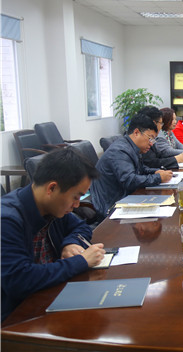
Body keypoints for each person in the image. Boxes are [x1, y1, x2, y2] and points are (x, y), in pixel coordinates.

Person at [1, 148, 105, 322]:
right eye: (76, 197)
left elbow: (81, 227)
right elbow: (19, 280)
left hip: (50, 294)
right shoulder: (7, 220)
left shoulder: (52, 207)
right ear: (52, 188)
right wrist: (80, 261)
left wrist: (71, 243)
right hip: (16, 315)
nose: (77, 205)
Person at [90, 113, 173, 219]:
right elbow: (129, 180)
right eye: (150, 138)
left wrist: (155, 172)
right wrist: (158, 178)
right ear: (136, 133)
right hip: (112, 206)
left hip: (125, 198)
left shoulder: (130, 146)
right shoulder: (120, 151)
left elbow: (140, 169)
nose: (151, 143)